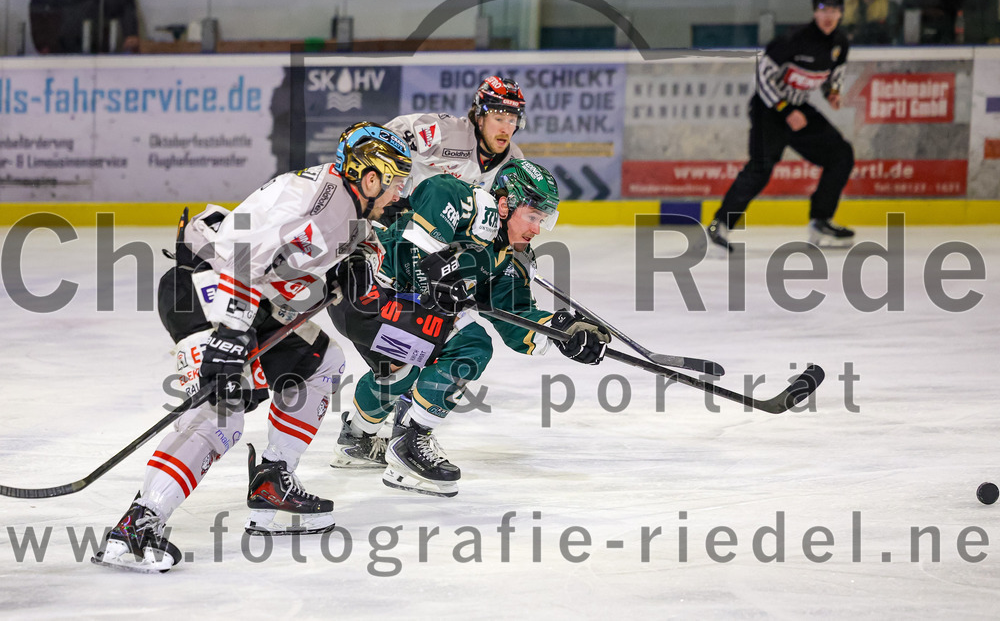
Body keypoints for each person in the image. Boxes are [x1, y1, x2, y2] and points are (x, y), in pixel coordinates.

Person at [92, 122, 412, 572]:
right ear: (370, 178)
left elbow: (333, 257)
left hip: (248, 301)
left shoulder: (347, 203)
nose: (402, 192)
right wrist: (232, 334)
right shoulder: (327, 208)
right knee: (222, 412)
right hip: (205, 290)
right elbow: (244, 252)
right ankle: (137, 527)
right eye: (396, 181)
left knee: (323, 362)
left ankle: (272, 485)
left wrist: (357, 262)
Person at [327, 159, 611, 497]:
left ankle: (356, 440)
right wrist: (436, 275)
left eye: (542, 220)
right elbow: (434, 193)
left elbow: (517, 320)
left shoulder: (511, 258)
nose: (537, 229)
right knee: (470, 345)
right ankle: (410, 442)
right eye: (533, 216)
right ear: (505, 203)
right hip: (365, 289)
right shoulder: (471, 204)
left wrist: (562, 331)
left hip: (370, 307)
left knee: (401, 371)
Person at [707, 0, 855, 252]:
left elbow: (835, 73)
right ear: (814, 12)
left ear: (842, 13)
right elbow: (762, 76)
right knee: (761, 168)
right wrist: (785, 110)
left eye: (834, 10)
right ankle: (720, 224)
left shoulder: (840, 43)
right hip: (770, 110)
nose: (829, 16)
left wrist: (832, 91)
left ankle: (820, 220)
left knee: (841, 155)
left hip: (800, 110)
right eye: (824, 10)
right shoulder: (793, 40)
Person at [379, 76, 527, 222]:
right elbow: (389, 135)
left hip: (452, 223)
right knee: (393, 244)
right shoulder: (447, 133)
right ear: (479, 118)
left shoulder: (514, 160)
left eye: (512, 120)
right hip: (401, 208)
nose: (505, 129)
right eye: (499, 119)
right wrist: (392, 179)